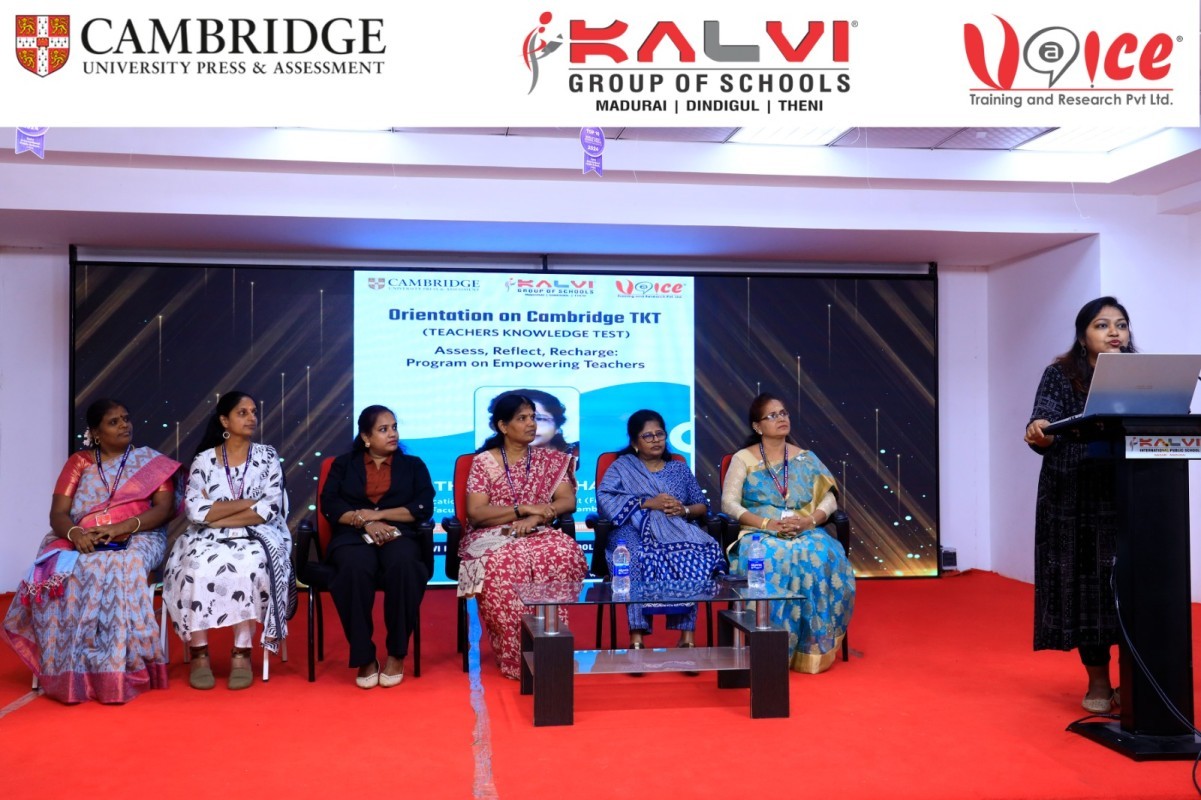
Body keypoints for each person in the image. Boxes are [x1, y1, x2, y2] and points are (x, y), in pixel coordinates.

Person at [3, 399, 181, 704]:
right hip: (82, 536)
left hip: (140, 535)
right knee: (63, 571)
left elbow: (163, 509)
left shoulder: (150, 463)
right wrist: (75, 534)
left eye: (126, 418)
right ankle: (73, 665)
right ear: (96, 433)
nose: (124, 425)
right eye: (114, 422)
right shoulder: (79, 463)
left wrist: (122, 527)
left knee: (121, 564)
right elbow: (58, 513)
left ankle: (118, 666)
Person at [1024, 296, 1135, 714]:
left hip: (1131, 491)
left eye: (1120, 324)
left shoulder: (1142, 373)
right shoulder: (1061, 374)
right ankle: (1099, 681)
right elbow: (1044, 421)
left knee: (1134, 587)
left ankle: (1137, 683)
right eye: (1102, 325)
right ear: (1083, 336)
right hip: (1076, 496)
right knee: (1088, 587)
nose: (1114, 332)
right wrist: (1040, 429)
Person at [163, 390, 292, 690]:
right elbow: (195, 511)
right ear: (224, 420)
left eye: (254, 412)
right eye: (242, 413)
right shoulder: (204, 460)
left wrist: (217, 513)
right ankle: (199, 653)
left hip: (257, 534)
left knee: (248, 567)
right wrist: (247, 503)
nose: (251, 418)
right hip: (205, 536)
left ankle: (241, 653)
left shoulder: (267, 456)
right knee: (196, 567)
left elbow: (269, 509)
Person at [721, 393, 856, 674]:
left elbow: (829, 498)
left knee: (821, 553)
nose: (781, 418)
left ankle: (812, 646)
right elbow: (729, 504)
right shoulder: (743, 459)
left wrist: (809, 521)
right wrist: (766, 524)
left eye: (783, 413)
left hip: (803, 529)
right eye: (772, 415)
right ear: (757, 426)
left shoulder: (806, 458)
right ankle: (771, 648)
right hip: (760, 532)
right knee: (773, 556)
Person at [459, 393, 587, 678]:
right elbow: (477, 514)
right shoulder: (484, 462)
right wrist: (523, 509)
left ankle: (552, 648)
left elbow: (568, 501)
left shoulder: (550, 460)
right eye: (522, 418)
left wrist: (537, 517)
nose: (531, 424)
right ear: (503, 426)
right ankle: (516, 655)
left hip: (538, 530)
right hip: (491, 534)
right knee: (504, 562)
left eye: (533, 417)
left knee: (562, 551)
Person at [320, 405, 435, 689]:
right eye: (383, 429)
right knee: (353, 566)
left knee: (405, 564)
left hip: (400, 533)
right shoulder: (343, 465)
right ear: (366, 437)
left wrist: (378, 515)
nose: (392, 434)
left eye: (394, 427)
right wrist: (366, 522)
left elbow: (422, 507)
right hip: (352, 535)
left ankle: (397, 653)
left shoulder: (414, 465)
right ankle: (364, 656)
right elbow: (330, 506)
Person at [597, 409, 726, 651]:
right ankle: (636, 636)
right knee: (635, 556)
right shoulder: (622, 467)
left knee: (692, 553)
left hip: (676, 527)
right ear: (635, 442)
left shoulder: (678, 469)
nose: (655, 440)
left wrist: (683, 510)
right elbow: (605, 499)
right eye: (648, 436)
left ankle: (687, 636)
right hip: (631, 529)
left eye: (660, 434)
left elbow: (700, 505)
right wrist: (647, 503)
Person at [488, 388, 580, 463]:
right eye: (521, 418)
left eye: (539, 419)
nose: (531, 425)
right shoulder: (486, 460)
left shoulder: (578, 454)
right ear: (501, 426)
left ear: (557, 426)